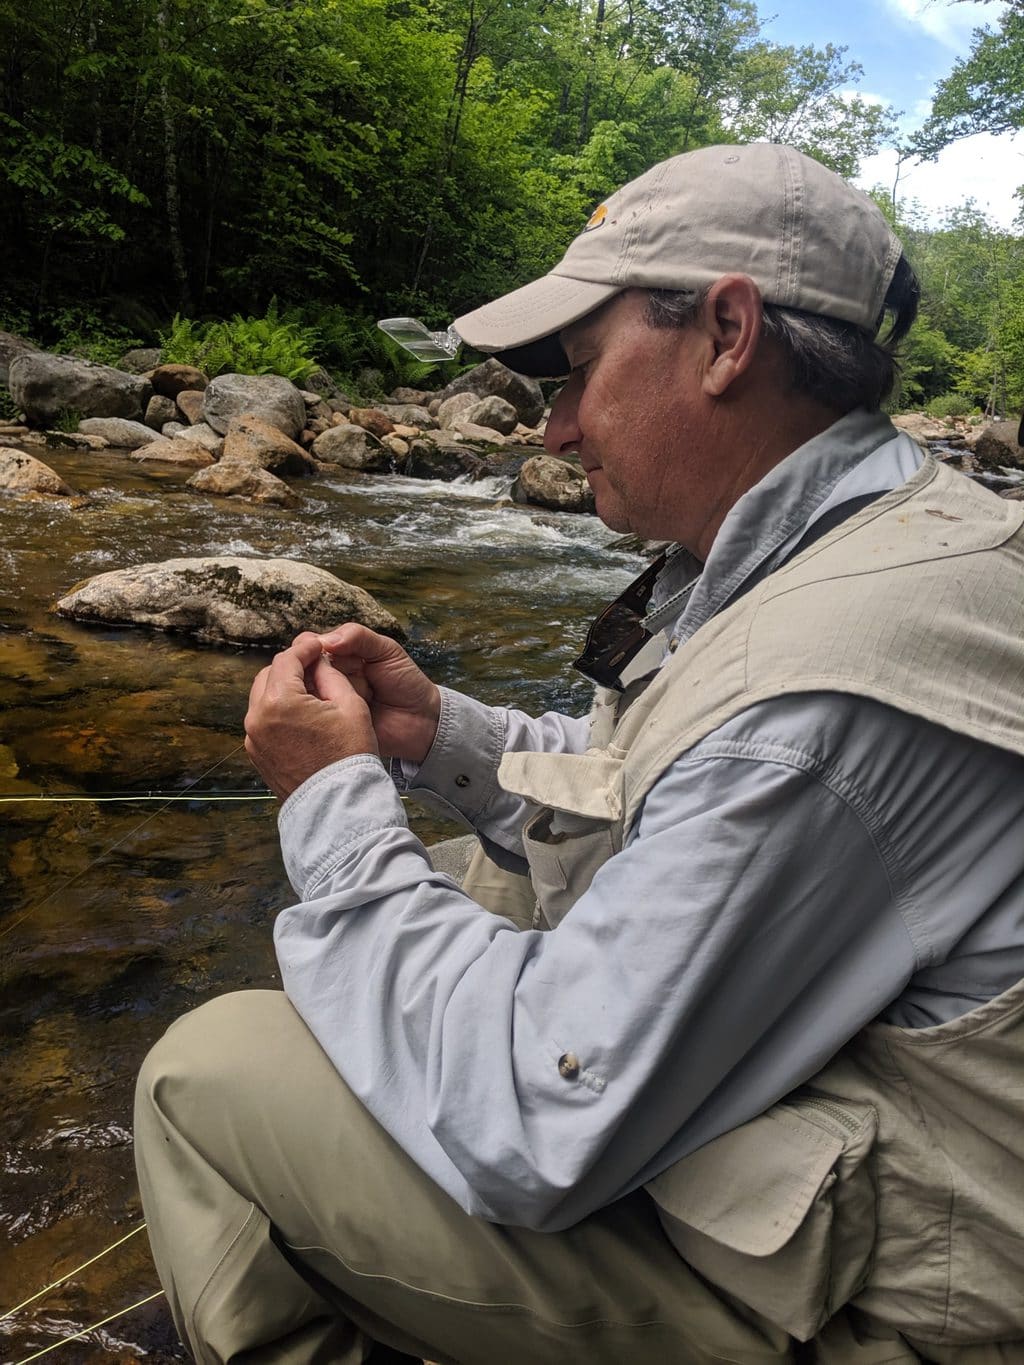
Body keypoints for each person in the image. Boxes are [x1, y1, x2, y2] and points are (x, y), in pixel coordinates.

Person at [134, 143, 1024, 1365]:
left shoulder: (831, 679)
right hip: (859, 1142)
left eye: (576, 367)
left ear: (725, 333)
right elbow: (671, 781)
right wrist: (441, 739)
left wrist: (335, 803)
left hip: (912, 1308)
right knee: (460, 892)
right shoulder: (863, 536)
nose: (549, 427)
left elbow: (532, 1122)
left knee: (205, 1076)